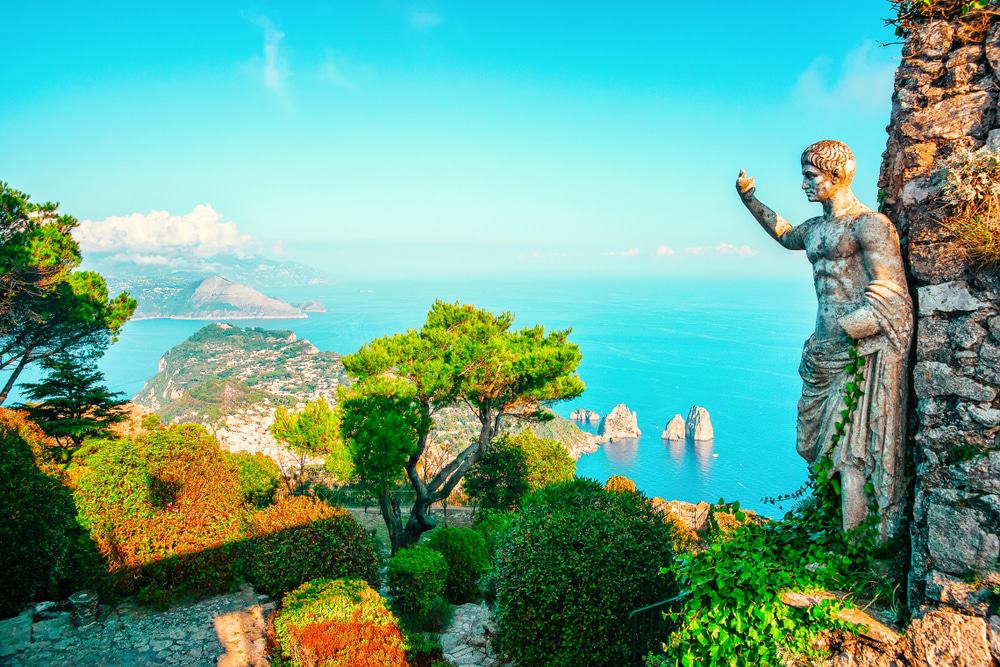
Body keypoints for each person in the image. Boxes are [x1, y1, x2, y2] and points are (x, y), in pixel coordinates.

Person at [736, 140, 913, 539]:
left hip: (855, 352)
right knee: (820, 446)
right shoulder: (817, 230)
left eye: (810, 176)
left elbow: (893, 294)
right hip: (822, 352)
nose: (804, 184)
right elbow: (784, 234)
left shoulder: (869, 225)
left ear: (836, 176)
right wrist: (750, 199)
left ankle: (859, 546)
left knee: (851, 450)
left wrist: (855, 328)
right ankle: (834, 530)